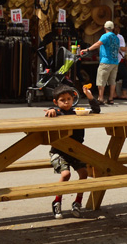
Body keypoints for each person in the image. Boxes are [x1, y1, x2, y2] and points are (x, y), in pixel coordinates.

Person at [45, 85, 90, 218]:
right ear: (56, 102)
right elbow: (49, 113)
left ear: (73, 100)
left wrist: (90, 96)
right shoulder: (56, 112)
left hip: (76, 150)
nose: (66, 102)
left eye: (69, 99)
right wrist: (51, 110)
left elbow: (96, 110)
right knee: (66, 174)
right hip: (58, 151)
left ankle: (78, 202)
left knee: (84, 173)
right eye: (62, 100)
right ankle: (57, 201)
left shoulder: (78, 112)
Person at [81, 20, 121, 105]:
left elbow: (98, 44)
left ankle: (101, 98)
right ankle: (111, 99)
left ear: (104, 28)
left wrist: (87, 49)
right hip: (115, 62)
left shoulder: (105, 36)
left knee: (101, 80)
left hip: (106, 61)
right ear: (113, 28)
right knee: (112, 81)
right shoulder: (116, 38)